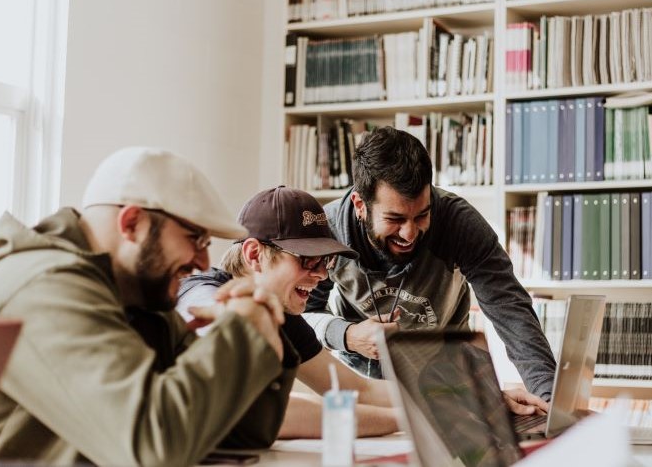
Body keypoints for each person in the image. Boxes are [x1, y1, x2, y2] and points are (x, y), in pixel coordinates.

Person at [0, 147, 297, 466]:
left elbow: (237, 435)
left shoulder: (136, 297)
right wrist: (242, 332)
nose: (204, 261)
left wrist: (263, 332)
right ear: (132, 223)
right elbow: (152, 447)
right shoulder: (44, 288)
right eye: (195, 239)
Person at [179, 186, 547, 440]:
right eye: (307, 260)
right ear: (254, 254)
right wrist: (430, 418)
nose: (322, 274)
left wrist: (472, 398)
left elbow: (355, 389)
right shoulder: (204, 299)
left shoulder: (282, 315)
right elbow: (265, 412)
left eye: (325, 261)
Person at [303, 126, 557, 401]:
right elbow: (302, 316)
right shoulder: (327, 232)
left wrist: (548, 399)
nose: (409, 233)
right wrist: (348, 335)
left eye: (422, 215)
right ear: (360, 205)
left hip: (447, 384)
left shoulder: (459, 223)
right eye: (395, 219)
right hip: (360, 387)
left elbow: (511, 311)